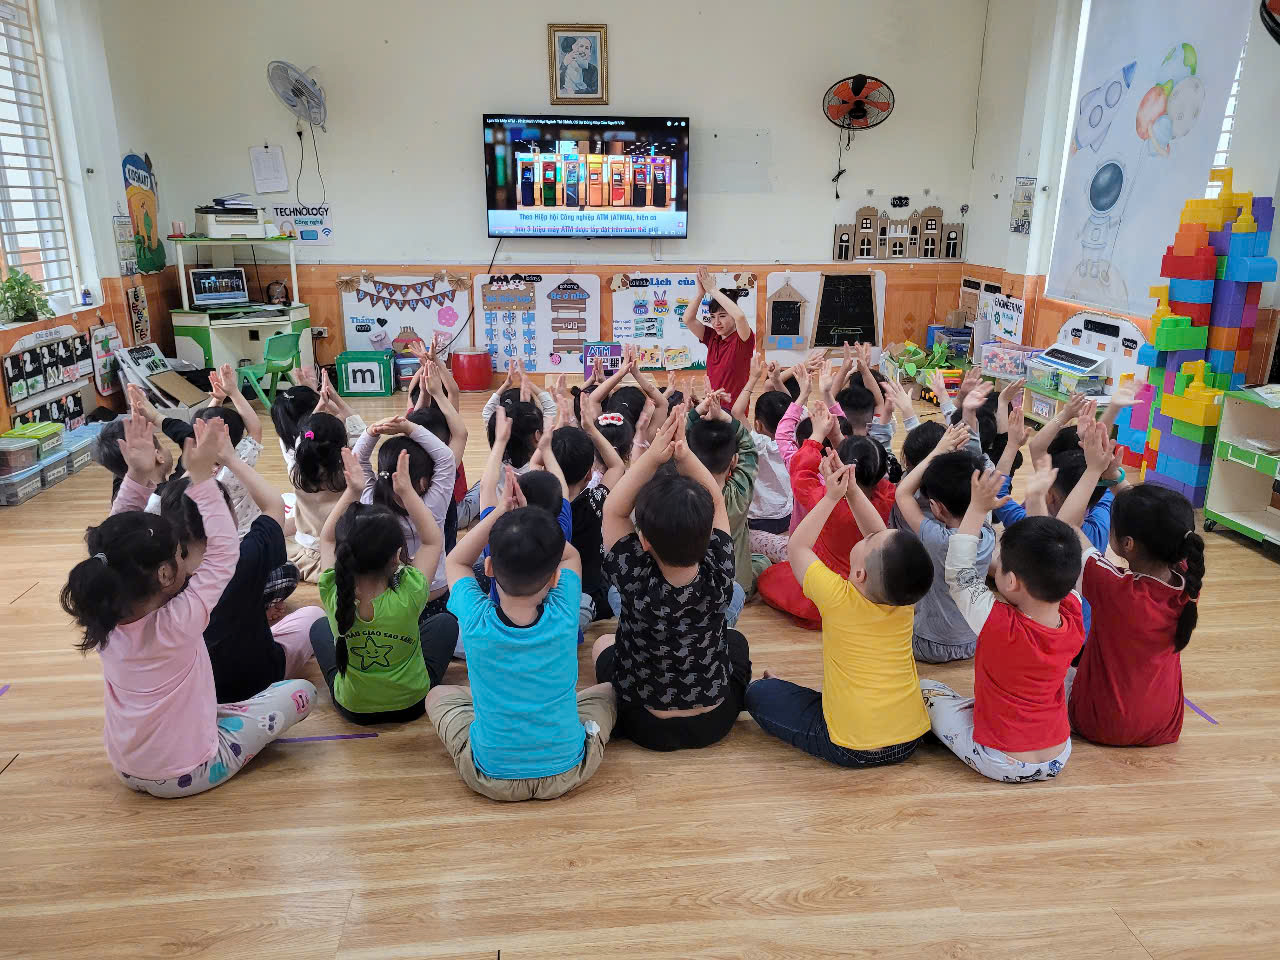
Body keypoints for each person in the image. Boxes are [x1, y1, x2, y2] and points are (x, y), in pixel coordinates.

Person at [60, 415, 315, 797]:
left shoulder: (105, 618)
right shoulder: (180, 619)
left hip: (126, 769)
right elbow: (224, 553)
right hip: (189, 771)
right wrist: (202, 480)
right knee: (302, 693)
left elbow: (113, 548)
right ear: (165, 573)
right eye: (177, 554)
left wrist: (136, 476)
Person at [427, 484, 617, 801]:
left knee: (438, 695)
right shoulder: (565, 611)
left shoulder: (475, 618)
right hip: (566, 770)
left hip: (491, 776)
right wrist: (533, 520)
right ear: (554, 578)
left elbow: (457, 562)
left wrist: (499, 512)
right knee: (608, 691)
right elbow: (571, 555)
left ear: (489, 568)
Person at [745, 459, 933, 766]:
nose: (871, 533)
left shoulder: (837, 597)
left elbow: (797, 548)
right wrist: (853, 491)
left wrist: (831, 497)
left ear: (859, 575)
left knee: (758, 694)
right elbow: (880, 538)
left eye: (868, 540)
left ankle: (776, 690)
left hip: (849, 746)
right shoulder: (902, 602)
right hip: (909, 739)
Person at [595, 409, 752, 751]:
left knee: (602, 644)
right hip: (715, 721)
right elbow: (717, 503)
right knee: (736, 640)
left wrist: (653, 456)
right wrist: (685, 455)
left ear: (644, 541)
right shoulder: (720, 567)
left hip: (643, 724)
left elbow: (614, 510)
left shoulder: (633, 575)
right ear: (709, 537)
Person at [919, 464, 1084, 783]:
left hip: (1001, 759)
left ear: (1010, 581)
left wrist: (977, 508)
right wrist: (1036, 500)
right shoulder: (1074, 615)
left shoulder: (999, 625)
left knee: (926, 690)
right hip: (1058, 753)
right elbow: (1051, 557)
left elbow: (960, 574)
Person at [1058, 419, 1202, 746]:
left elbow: (1065, 526)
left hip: (1102, 723)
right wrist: (1115, 477)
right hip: (1164, 725)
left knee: (1041, 671)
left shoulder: (1115, 587)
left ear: (1128, 544)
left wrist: (1092, 471)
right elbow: (1155, 520)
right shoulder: (1188, 578)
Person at [159, 438, 323, 704]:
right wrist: (230, 459)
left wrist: (192, 473)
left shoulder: (162, 575)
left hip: (198, 692)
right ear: (227, 517)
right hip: (258, 678)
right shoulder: (245, 557)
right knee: (314, 615)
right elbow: (274, 505)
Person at [310, 448, 458, 725]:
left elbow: (326, 538)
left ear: (344, 553)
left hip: (353, 708)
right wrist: (407, 493)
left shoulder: (331, 589)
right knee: (445, 623)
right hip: (412, 704)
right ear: (395, 557)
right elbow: (433, 540)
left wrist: (353, 491)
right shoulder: (411, 591)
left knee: (319, 627)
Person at [759, 401, 895, 628]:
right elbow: (866, 471)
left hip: (827, 587)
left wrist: (818, 435)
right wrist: (837, 438)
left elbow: (800, 470)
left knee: (768, 579)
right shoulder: (887, 496)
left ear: (838, 465)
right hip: (868, 585)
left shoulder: (825, 499)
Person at [894, 415, 994, 663]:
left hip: (928, 644)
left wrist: (938, 452)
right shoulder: (988, 535)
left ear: (937, 508)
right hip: (975, 640)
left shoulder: (937, 540)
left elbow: (902, 492)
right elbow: (983, 478)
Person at [353, 414, 456, 620]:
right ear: (423, 482)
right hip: (434, 597)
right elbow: (446, 458)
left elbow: (357, 461)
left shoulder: (371, 502)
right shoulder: (433, 506)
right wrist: (409, 427)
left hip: (389, 603)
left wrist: (371, 432)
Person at [551, 391, 628, 629]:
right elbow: (616, 466)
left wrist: (558, 426)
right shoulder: (595, 501)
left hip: (549, 589)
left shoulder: (539, 502)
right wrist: (591, 429)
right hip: (592, 592)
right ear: (588, 475)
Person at [686, 388, 759, 602]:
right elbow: (749, 447)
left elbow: (672, 443)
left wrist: (695, 413)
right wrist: (725, 417)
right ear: (734, 460)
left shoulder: (681, 495)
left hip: (692, 587)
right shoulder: (739, 494)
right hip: (736, 587)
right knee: (760, 561)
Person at [732, 355, 793, 566]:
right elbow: (792, 413)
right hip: (787, 516)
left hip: (758, 520)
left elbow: (736, 411)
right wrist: (775, 380)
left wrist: (753, 378)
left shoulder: (756, 443)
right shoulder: (794, 441)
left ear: (757, 425)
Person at [678, 265, 754, 401]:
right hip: (712, 406)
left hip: (733, 410)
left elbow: (740, 317)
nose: (716, 322)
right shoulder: (712, 336)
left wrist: (712, 290)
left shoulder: (742, 338)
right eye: (713, 317)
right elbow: (688, 319)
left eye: (722, 316)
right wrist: (701, 293)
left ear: (732, 316)